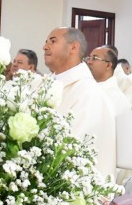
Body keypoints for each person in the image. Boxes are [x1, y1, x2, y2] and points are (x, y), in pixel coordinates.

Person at [43, 27, 116, 181]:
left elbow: (71, 146)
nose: (45, 47)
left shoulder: (88, 92)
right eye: (46, 42)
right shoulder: (46, 84)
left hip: (72, 182)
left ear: (73, 47)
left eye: (53, 41)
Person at [85, 46, 131, 116]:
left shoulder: (117, 99)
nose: (88, 62)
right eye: (89, 58)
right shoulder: (87, 87)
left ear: (108, 65)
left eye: (94, 58)